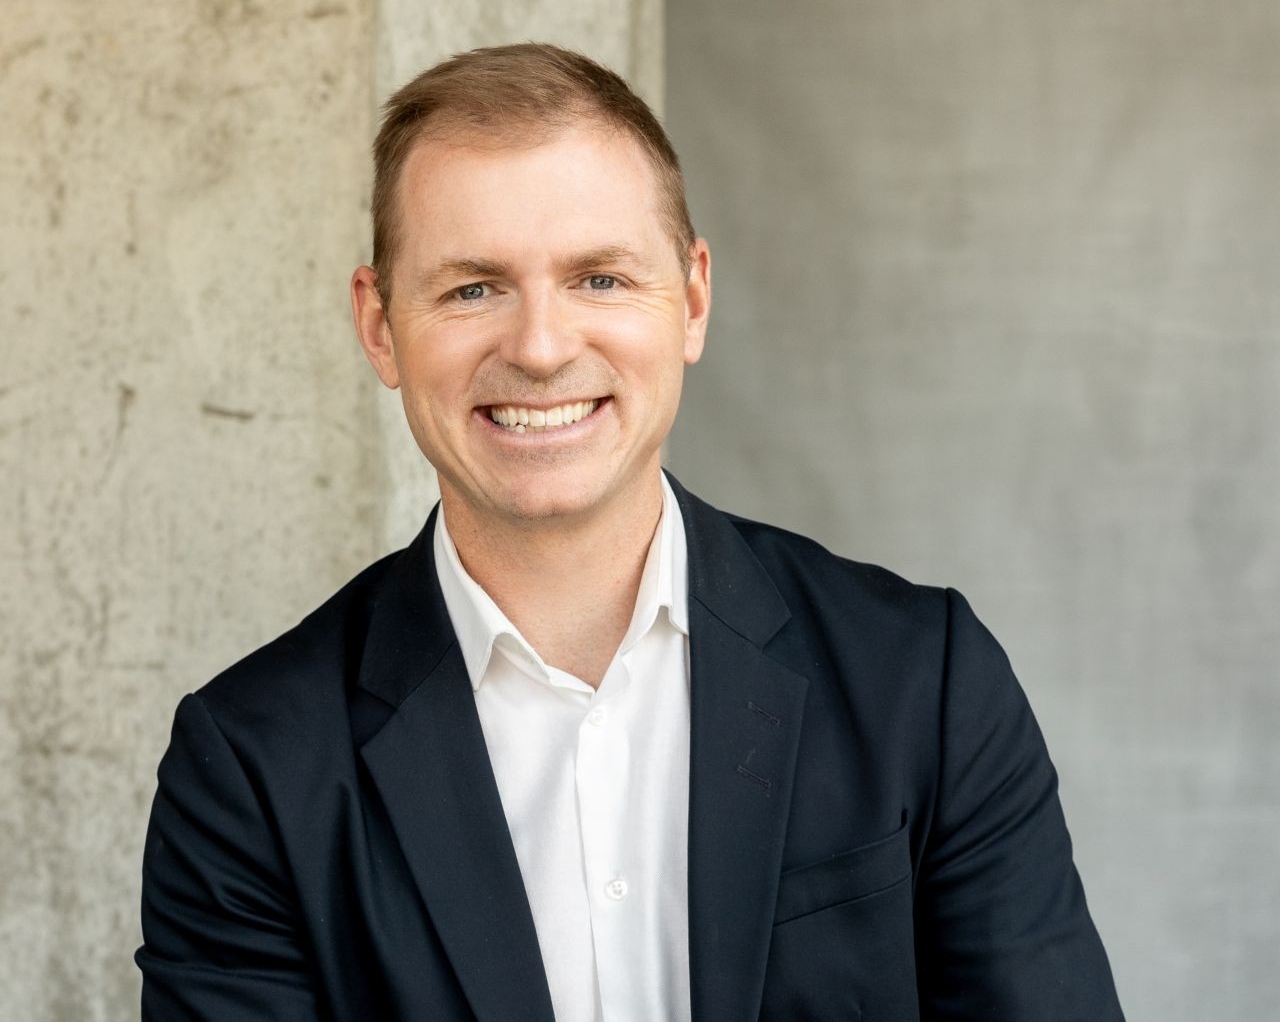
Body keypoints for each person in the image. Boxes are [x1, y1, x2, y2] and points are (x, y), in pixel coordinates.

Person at [136, 42, 1125, 1022]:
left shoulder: (922, 682)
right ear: (380, 324)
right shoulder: (252, 767)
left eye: (598, 278)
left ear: (689, 300)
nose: (539, 345)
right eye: (472, 287)